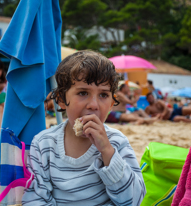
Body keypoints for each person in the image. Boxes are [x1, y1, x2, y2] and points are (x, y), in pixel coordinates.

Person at [22, 50, 146, 205]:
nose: (93, 105)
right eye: (82, 93)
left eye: (103, 95)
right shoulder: (43, 144)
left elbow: (134, 200)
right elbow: (35, 198)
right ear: (61, 99)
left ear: (112, 103)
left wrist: (107, 152)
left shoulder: (116, 142)